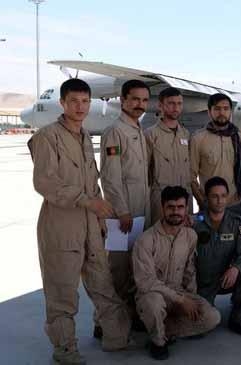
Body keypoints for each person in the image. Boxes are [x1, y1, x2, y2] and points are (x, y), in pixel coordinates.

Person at [29, 78, 131, 364]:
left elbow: (91, 179)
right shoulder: (47, 136)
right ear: (62, 103)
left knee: (103, 283)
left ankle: (116, 336)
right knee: (62, 291)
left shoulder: (85, 136)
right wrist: (88, 202)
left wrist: (98, 214)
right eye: (73, 101)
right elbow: (45, 182)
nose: (80, 107)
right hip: (62, 226)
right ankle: (65, 350)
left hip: (91, 225)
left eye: (85, 101)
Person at [133, 186, 220, 360]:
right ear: (162, 208)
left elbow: (190, 272)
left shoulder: (190, 236)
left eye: (180, 207)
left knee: (212, 317)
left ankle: (158, 327)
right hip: (153, 294)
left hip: (178, 292)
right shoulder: (146, 240)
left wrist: (189, 299)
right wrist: (180, 300)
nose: (176, 212)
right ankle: (158, 341)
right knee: (154, 304)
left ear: (187, 208)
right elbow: (146, 282)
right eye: (171, 207)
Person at [100, 79, 152, 327]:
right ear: (123, 100)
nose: (140, 104)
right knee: (117, 270)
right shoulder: (115, 131)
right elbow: (110, 178)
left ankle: (129, 317)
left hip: (139, 213)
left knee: (134, 267)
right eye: (134, 99)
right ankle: (104, 323)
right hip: (123, 216)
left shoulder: (138, 130)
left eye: (144, 100)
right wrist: (121, 211)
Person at [193, 177, 241, 336]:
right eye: (214, 196)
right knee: (201, 328)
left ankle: (239, 320)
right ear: (206, 198)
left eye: (223, 196)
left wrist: (236, 268)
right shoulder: (195, 222)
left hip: (228, 278)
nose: (219, 200)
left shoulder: (238, 222)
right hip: (203, 283)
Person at [190, 93, 241, 219]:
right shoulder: (198, 139)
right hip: (210, 206)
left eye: (225, 109)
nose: (221, 113)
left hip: (237, 205)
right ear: (209, 112)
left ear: (231, 111)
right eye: (217, 109)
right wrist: (201, 202)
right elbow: (191, 176)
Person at [145, 87, 192, 223]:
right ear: (160, 105)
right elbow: (145, 172)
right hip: (161, 201)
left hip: (184, 200)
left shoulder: (185, 134)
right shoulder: (151, 135)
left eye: (179, 104)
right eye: (171, 103)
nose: (175, 108)